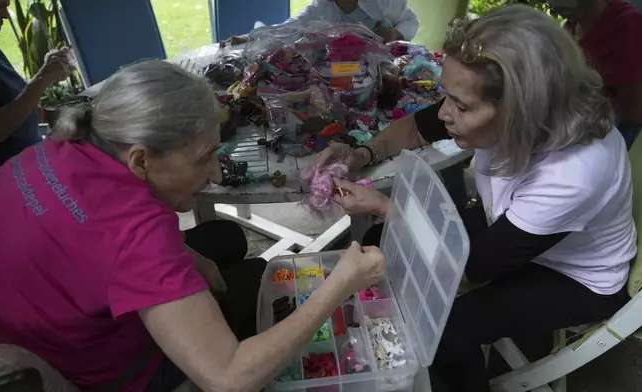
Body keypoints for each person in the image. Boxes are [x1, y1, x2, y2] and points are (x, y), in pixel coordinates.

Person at [0, 60, 386, 392]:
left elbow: (92, 238)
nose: (216, 173)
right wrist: (340, 285)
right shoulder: (137, 233)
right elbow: (228, 377)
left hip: (32, 321)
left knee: (227, 237)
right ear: (140, 160)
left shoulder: (59, 145)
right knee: (255, 278)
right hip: (96, 371)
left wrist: (185, 254)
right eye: (204, 158)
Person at [314, 5, 635, 391]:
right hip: (509, 228)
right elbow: (417, 128)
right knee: (377, 245)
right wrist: (362, 154)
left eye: (461, 106)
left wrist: (384, 206)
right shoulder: (513, 112)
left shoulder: (574, 172)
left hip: (574, 276)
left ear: (521, 111)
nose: (445, 114)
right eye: (447, 97)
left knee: (445, 328)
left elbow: (471, 272)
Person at [547, 0, 642, 148]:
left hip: (604, 138)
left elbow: (635, 110)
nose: (553, 5)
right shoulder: (572, 25)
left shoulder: (627, 25)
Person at [0, 0, 72, 167]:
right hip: (12, 173)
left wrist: (47, 72)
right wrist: (43, 78)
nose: (5, 16)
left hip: (33, 151)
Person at [222, 0, 418, 46]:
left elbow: (410, 20)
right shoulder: (320, 8)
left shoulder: (384, 3)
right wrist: (248, 38)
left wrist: (397, 34)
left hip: (387, 65)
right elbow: (288, 27)